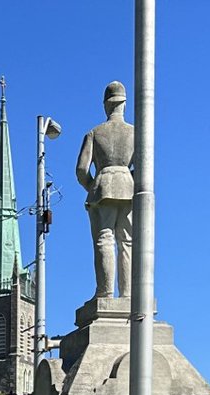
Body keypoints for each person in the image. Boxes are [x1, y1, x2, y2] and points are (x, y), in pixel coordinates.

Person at [76, 81, 134, 299]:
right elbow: (143, 167)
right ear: (123, 104)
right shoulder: (135, 133)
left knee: (105, 239)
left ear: (106, 106)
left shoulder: (94, 133)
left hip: (102, 188)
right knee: (127, 243)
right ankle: (128, 294)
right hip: (128, 188)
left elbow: (82, 169)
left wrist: (93, 185)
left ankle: (105, 291)